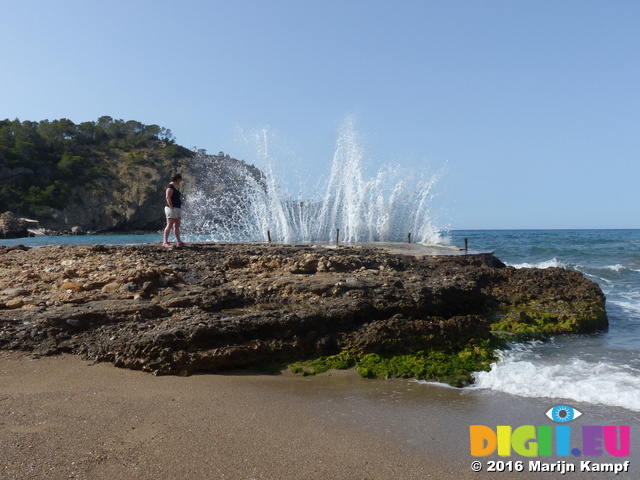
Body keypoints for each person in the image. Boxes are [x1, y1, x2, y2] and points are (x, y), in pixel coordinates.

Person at [163, 173, 185, 247]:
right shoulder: (170, 187)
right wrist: (171, 207)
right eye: (180, 180)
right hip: (171, 208)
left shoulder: (175, 187)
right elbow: (168, 197)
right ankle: (165, 241)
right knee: (169, 225)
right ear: (177, 179)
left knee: (177, 225)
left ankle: (179, 241)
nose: (180, 181)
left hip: (177, 208)